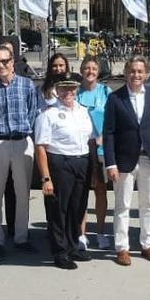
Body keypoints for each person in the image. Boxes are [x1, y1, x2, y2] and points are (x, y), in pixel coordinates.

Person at [0, 42, 42, 261]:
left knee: (23, 193)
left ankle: (21, 238)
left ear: (13, 62)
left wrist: (23, 134)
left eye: (5, 61)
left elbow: (32, 113)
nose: (1, 65)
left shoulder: (27, 85)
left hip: (22, 143)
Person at [103, 56, 150, 265]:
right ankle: (122, 248)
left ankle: (147, 244)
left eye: (140, 71)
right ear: (126, 72)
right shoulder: (115, 98)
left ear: (146, 74)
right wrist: (110, 163)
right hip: (124, 161)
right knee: (122, 205)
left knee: (147, 204)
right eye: (132, 71)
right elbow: (109, 133)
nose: (136, 75)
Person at [34, 78, 95, 269]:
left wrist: (93, 168)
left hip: (82, 161)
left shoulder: (84, 111)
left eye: (72, 88)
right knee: (59, 210)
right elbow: (41, 147)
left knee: (77, 207)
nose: (68, 92)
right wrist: (46, 178)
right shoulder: (48, 114)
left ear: (77, 89)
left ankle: (73, 245)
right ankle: (60, 252)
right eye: (63, 88)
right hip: (60, 163)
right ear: (56, 90)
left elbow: (91, 140)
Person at [76, 56, 112, 251]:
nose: (90, 71)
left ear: (98, 72)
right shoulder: (76, 93)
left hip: (100, 149)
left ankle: (100, 232)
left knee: (100, 190)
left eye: (94, 68)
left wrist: (103, 138)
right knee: (81, 192)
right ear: (81, 70)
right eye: (87, 68)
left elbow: (112, 121)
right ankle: (81, 234)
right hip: (80, 149)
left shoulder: (106, 92)